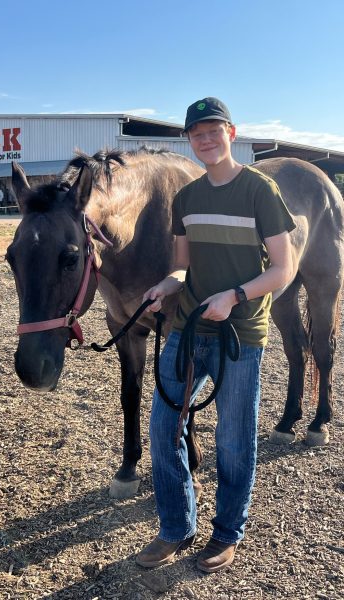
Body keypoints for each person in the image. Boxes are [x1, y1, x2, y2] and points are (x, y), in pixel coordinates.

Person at [136, 97, 296, 573]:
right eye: (196, 133)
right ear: (189, 139)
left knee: (232, 439)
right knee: (164, 431)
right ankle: (175, 527)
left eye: (213, 131)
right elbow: (184, 268)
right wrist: (166, 285)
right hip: (187, 329)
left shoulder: (259, 191)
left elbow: (284, 270)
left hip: (239, 334)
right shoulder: (187, 199)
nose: (205, 139)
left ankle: (227, 532)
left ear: (231, 132)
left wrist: (234, 295)